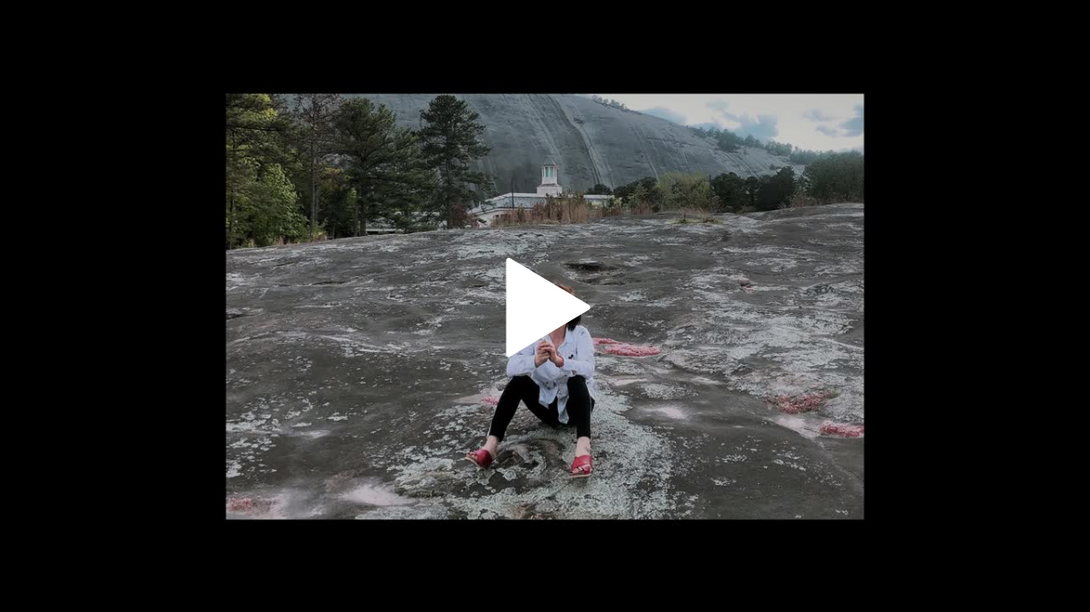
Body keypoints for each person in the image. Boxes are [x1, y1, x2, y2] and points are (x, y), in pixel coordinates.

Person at [467, 284, 597, 477]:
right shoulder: (534, 335)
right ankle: (490, 446)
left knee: (576, 379)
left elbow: (588, 369)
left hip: (576, 407)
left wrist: (560, 362)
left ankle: (583, 451)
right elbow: (511, 367)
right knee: (518, 382)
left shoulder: (580, 334)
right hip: (548, 407)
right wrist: (534, 361)